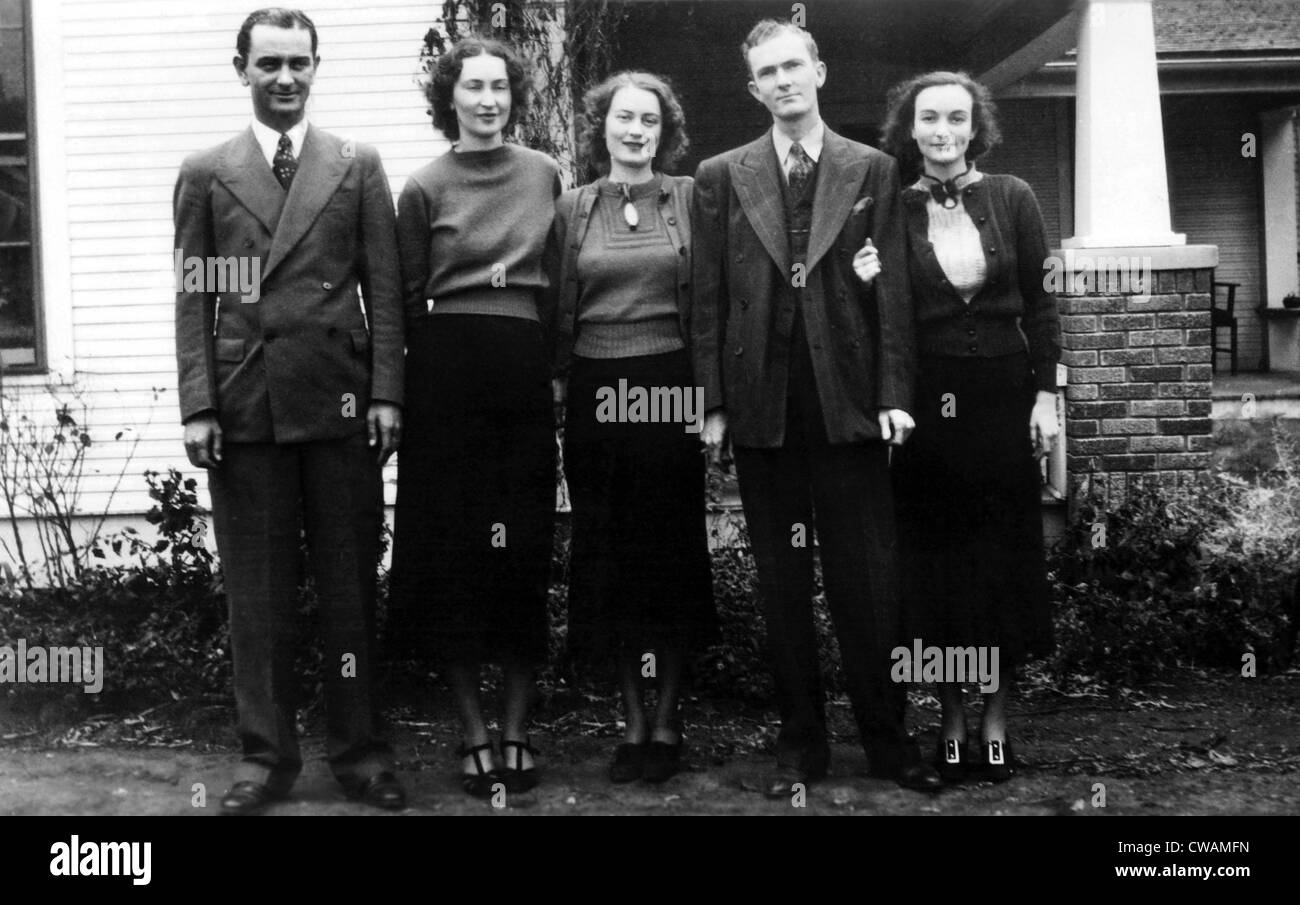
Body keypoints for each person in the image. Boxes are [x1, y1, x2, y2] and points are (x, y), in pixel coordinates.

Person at [692, 18, 941, 795]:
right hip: (765, 404)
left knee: (866, 581)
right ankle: (800, 741)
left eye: (794, 66)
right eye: (768, 72)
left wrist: (895, 394)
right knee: (782, 583)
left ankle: (886, 737)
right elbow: (707, 298)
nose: (783, 81)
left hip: (849, 405)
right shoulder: (722, 175)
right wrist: (713, 405)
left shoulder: (871, 168)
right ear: (753, 87)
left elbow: (894, 291)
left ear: (820, 71)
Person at [173, 7, 406, 815]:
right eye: (268, 63)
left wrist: (384, 392)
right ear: (241, 68)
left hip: (340, 407)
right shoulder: (206, 170)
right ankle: (263, 756)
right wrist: (199, 403)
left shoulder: (355, 161)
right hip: (247, 408)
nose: (284, 78)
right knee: (257, 596)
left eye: (298, 63)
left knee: (348, 589)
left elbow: (385, 287)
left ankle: (361, 753)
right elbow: (193, 297)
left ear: (316, 67)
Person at [388, 36, 560, 798]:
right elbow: (402, 297)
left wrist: (557, 373)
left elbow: (562, 281)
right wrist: (405, 389)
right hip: (447, 372)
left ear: (512, 96)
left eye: (499, 87)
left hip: (523, 362)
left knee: (521, 542)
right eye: (472, 87)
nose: (488, 100)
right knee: (453, 551)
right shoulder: (423, 186)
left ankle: (519, 725)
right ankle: (473, 730)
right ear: (449, 99)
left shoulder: (545, 174)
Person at [880, 70, 1061, 783]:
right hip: (929, 405)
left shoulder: (1013, 197)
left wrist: (1048, 395)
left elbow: (1044, 306)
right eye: (929, 118)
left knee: (999, 564)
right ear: (911, 127)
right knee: (938, 567)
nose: (943, 131)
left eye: (957, 118)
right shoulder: (892, 209)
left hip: (1001, 398)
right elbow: (887, 311)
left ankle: (995, 722)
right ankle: (950, 720)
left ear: (975, 126)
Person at [554, 71, 717, 785]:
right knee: (612, 555)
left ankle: (671, 715)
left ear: (664, 130)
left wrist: (711, 403)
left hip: (669, 387)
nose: (636, 131)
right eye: (624, 118)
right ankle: (631, 720)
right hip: (596, 390)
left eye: (649, 120)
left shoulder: (689, 199)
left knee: (669, 552)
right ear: (603, 126)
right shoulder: (571, 208)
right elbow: (557, 304)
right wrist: (560, 387)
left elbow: (712, 303)